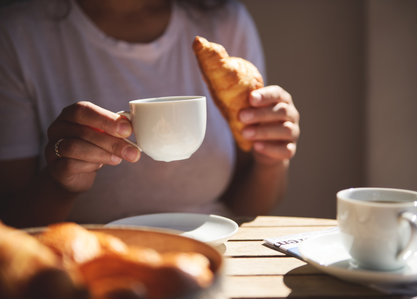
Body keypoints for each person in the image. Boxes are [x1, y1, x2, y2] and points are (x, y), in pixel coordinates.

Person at [0, 0, 300, 228]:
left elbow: (249, 204)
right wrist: (59, 182)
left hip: (216, 247)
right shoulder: (19, 34)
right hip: (91, 259)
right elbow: (12, 224)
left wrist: (271, 158)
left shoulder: (225, 22)